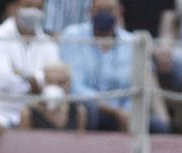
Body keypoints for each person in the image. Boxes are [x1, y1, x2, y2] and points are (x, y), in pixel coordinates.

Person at [59, 0, 165, 133]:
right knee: (88, 111)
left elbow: (137, 87)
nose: (104, 14)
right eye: (99, 10)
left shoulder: (131, 42)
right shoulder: (73, 36)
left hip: (124, 114)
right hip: (90, 111)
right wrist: (114, 111)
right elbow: (74, 87)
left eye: (109, 10)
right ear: (90, 11)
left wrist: (127, 113)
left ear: (119, 12)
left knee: (159, 127)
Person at [0, 0, 62, 126]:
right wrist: (35, 82)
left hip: (37, 115)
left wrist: (22, 75)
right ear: (14, 8)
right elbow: (3, 81)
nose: (33, 12)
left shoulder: (49, 43)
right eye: (28, 6)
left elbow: (54, 81)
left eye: (38, 8)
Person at [20, 61, 85, 130]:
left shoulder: (79, 111)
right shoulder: (28, 113)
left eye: (61, 83)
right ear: (43, 83)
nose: (55, 87)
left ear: (69, 84)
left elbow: (80, 139)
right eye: (49, 82)